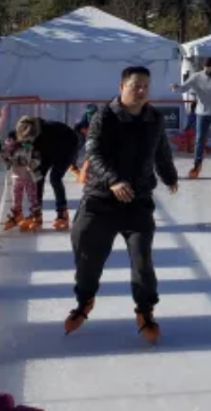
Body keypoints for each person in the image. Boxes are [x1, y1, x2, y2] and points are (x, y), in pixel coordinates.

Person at [66, 65, 180, 344]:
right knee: (86, 255)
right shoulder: (104, 115)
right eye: (135, 85)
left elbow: (161, 149)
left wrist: (169, 175)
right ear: (121, 87)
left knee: (143, 261)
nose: (141, 91)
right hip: (100, 199)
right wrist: (114, 180)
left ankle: (145, 311)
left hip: (137, 201)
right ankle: (85, 300)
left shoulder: (153, 117)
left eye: (145, 86)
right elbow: (93, 150)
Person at [10, 115, 79, 230]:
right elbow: (11, 138)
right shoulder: (22, 130)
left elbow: (42, 158)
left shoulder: (48, 134)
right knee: (38, 179)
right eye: (25, 139)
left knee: (55, 178)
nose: (28, 142)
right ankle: (37, 214)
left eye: (30, 140)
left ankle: (62, 213)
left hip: (67, 148)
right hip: (47, 149)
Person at [2, 132, 40, 231]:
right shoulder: (10, 149)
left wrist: (32, 164)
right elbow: (9, 163)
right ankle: (17, 214)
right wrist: (4, 155)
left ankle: (36, 217)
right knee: (16, 196)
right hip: (17, 176)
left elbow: (37, 158)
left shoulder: (29, 146)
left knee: (32, 197)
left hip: (29, 176)